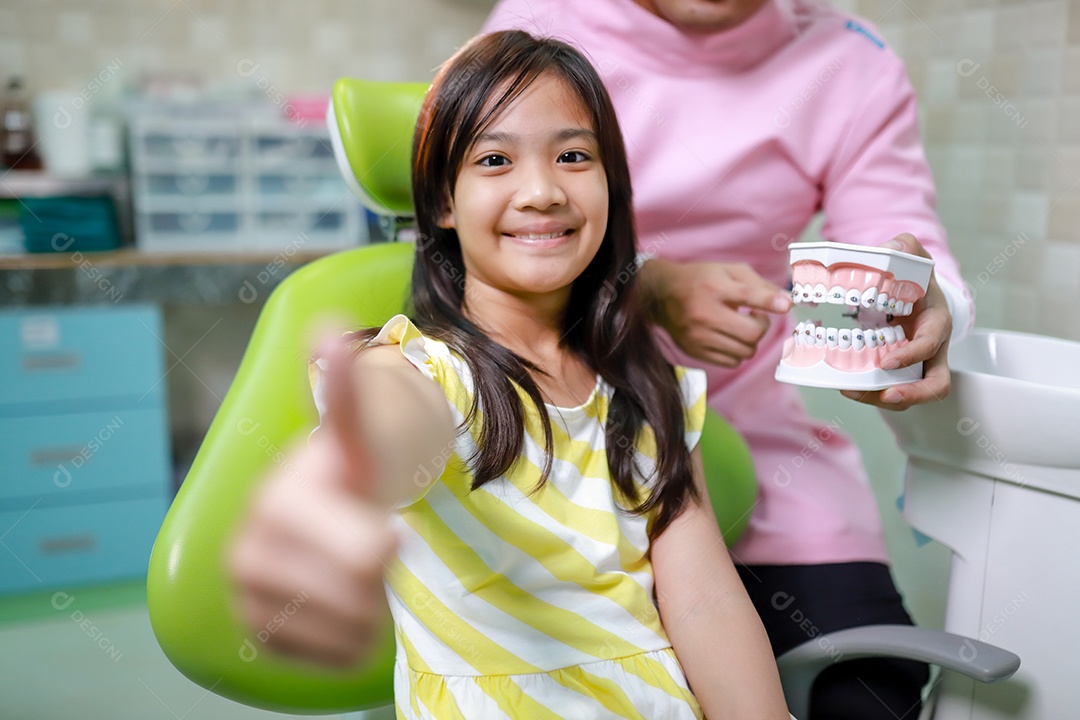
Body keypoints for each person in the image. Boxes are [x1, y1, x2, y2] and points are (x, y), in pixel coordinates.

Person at [230, 30, 791, 719]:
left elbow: (705, 602)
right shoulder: (424, 372)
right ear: (441, 202)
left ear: (611, 184)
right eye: (495, 159)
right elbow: (390, 426)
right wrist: (336, 477)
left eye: (573, 156)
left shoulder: (652, 391)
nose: (542, 191)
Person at [481, 2, 974, 719]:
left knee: (869, 688)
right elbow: (486, 237)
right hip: (567, 447)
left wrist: (925, 303)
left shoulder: (848, 60)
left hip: (760, 450)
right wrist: (645, 287)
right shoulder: (541, 25)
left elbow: (902, 242)